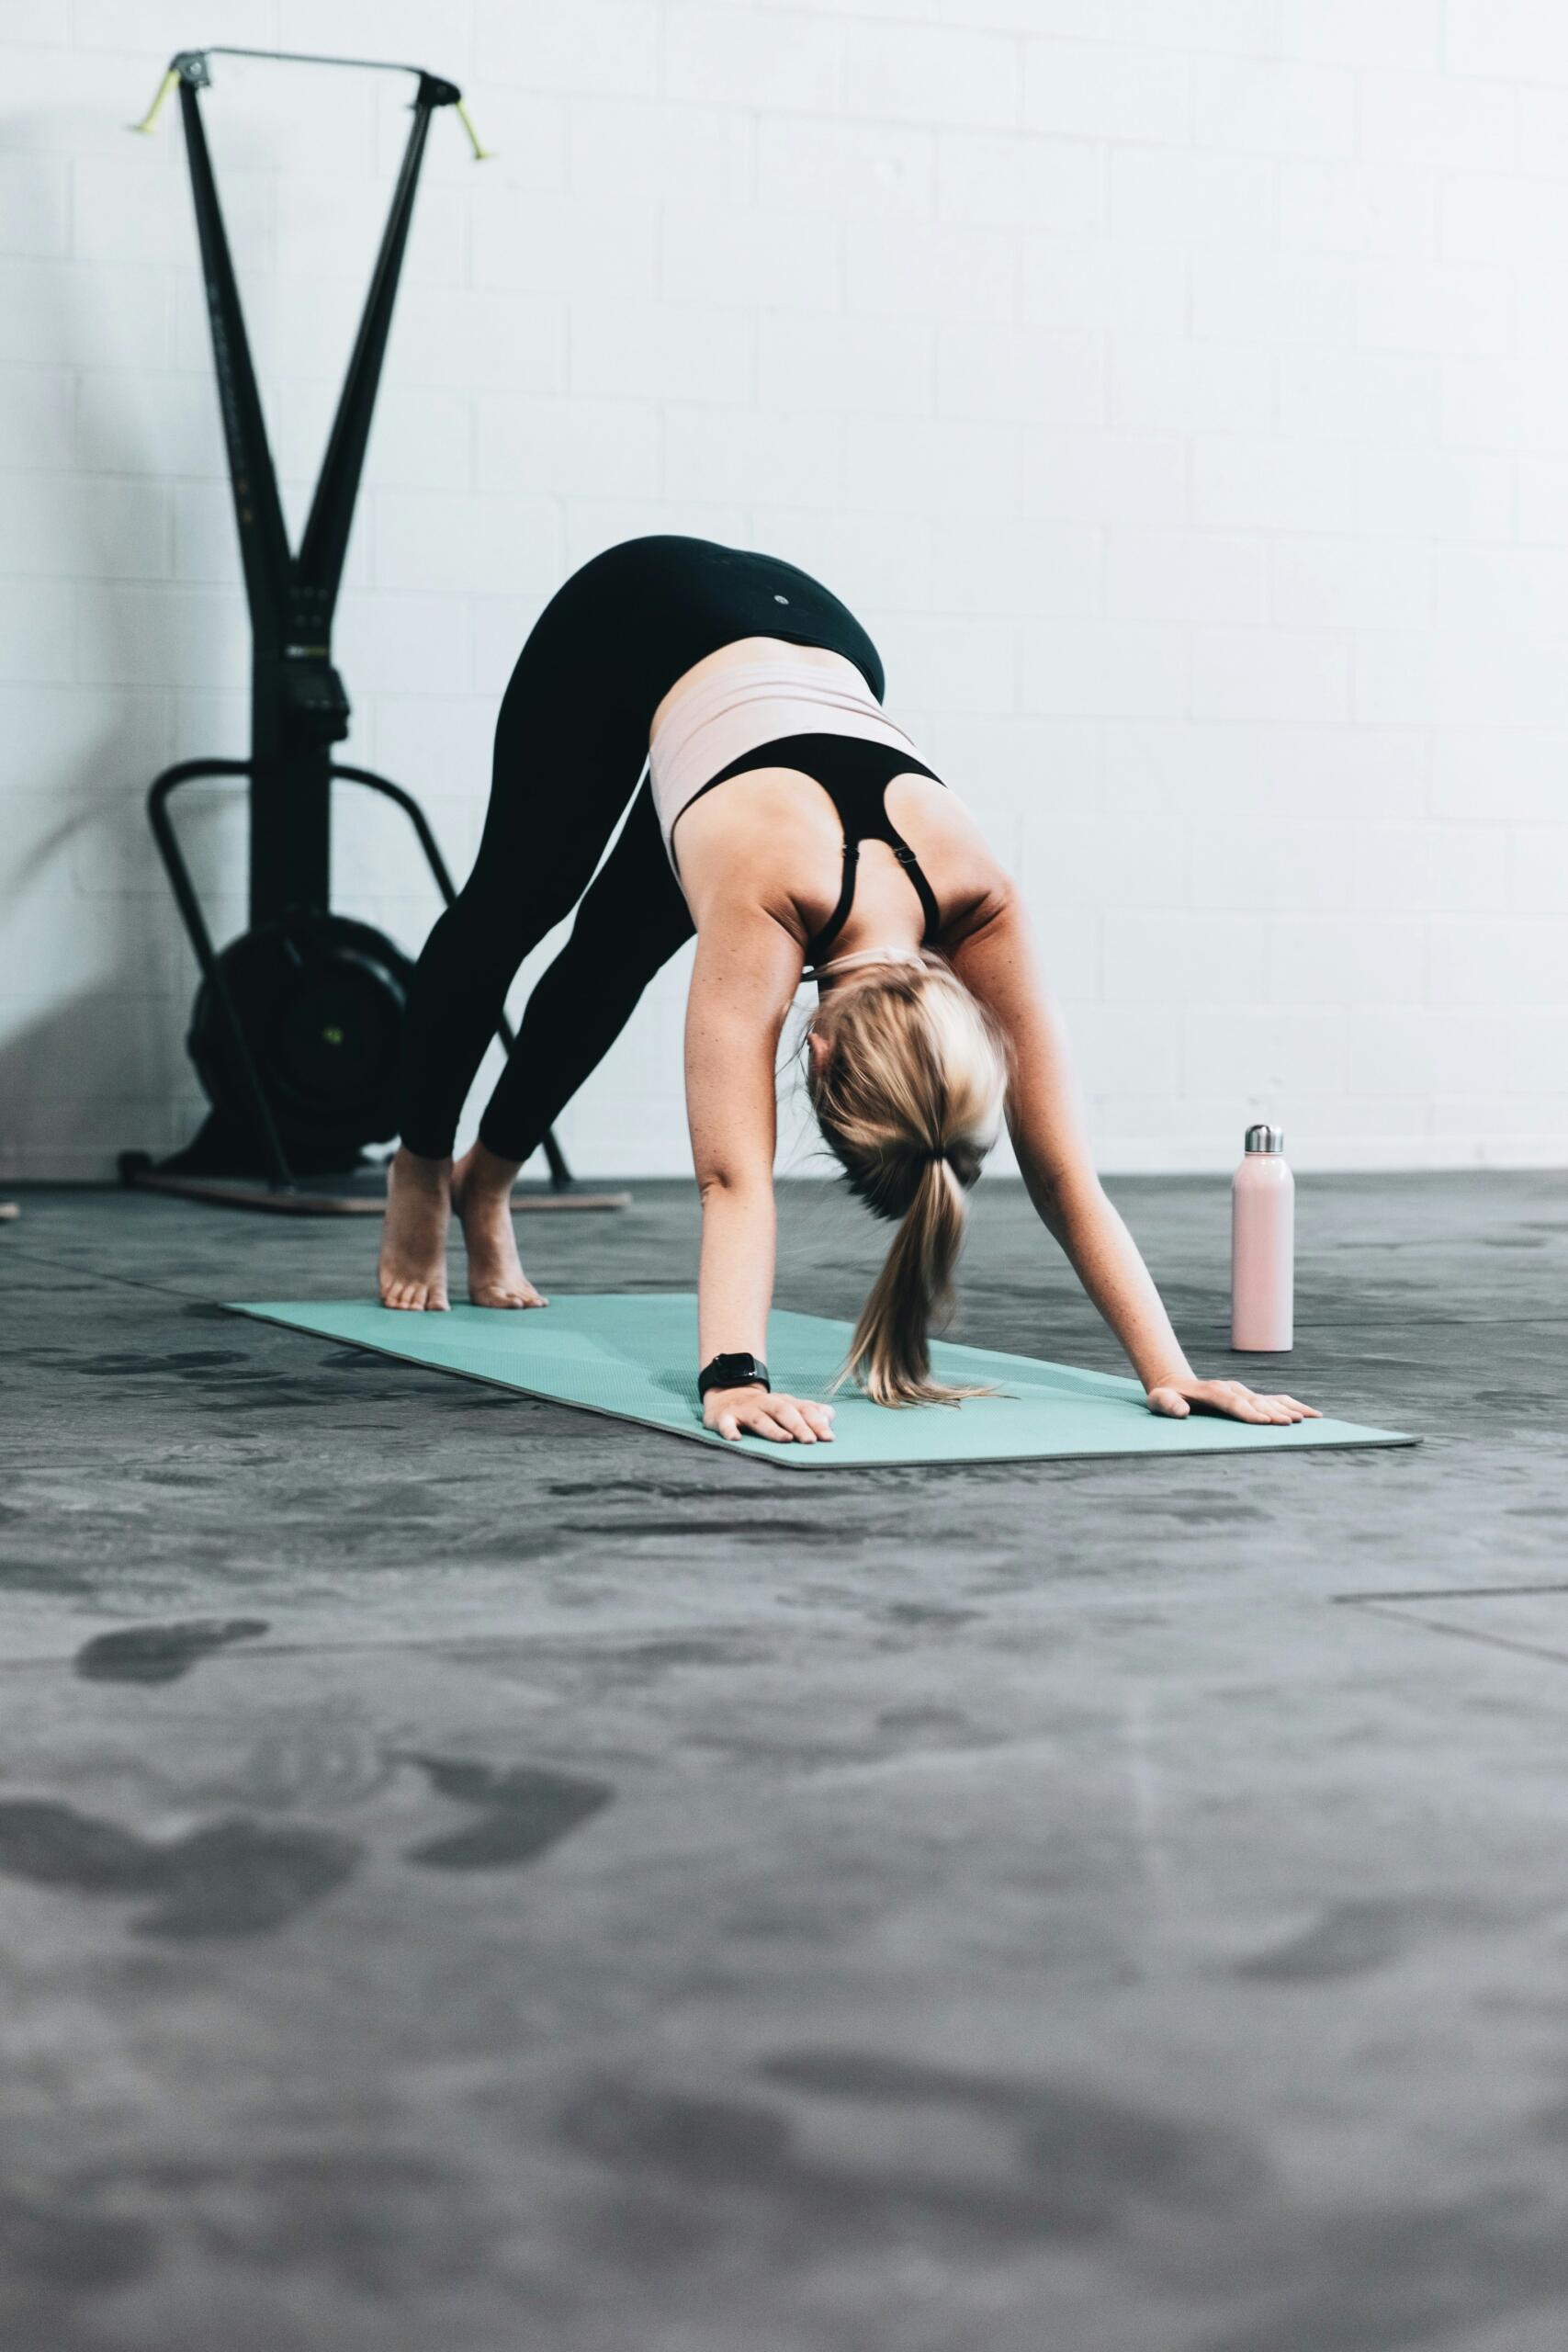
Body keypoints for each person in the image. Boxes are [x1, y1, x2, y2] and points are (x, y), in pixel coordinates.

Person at [378, 534, 1318, 1446]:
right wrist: (732, 1378)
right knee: (519, 901)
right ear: (817, 1052)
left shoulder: (978, 897)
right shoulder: (781, 895)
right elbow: (732, 1178)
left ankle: (486, 1183)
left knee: (614, 956)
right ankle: (420, 1170)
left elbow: (1063, 1170)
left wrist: (1171, 1368)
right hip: (636, 615)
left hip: (822, 640)